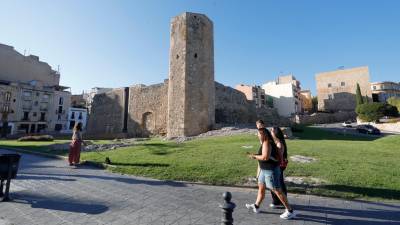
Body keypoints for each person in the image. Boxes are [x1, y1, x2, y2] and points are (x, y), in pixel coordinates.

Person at [246, 121, 295, 220]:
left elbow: (265, 157)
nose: (257, 135)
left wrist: (254, 156)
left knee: (277, 190)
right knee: (261, 188)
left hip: (270, 170)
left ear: (263, 134)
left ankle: (290, 211)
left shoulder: (267, 143)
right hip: (264, 170)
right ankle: (256, 206)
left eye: (259, 134)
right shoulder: (265, 142)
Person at [269, 126, 288, 208]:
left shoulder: (279, 144)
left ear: (275, 133)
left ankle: (279, 202)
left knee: (277, 184)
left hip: (278, 166)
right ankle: (278, 201)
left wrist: (268, 157)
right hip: (276, 166)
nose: (270, 131)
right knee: (277, 183)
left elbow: (279, 158)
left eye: (272, 131)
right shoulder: (275, 142)